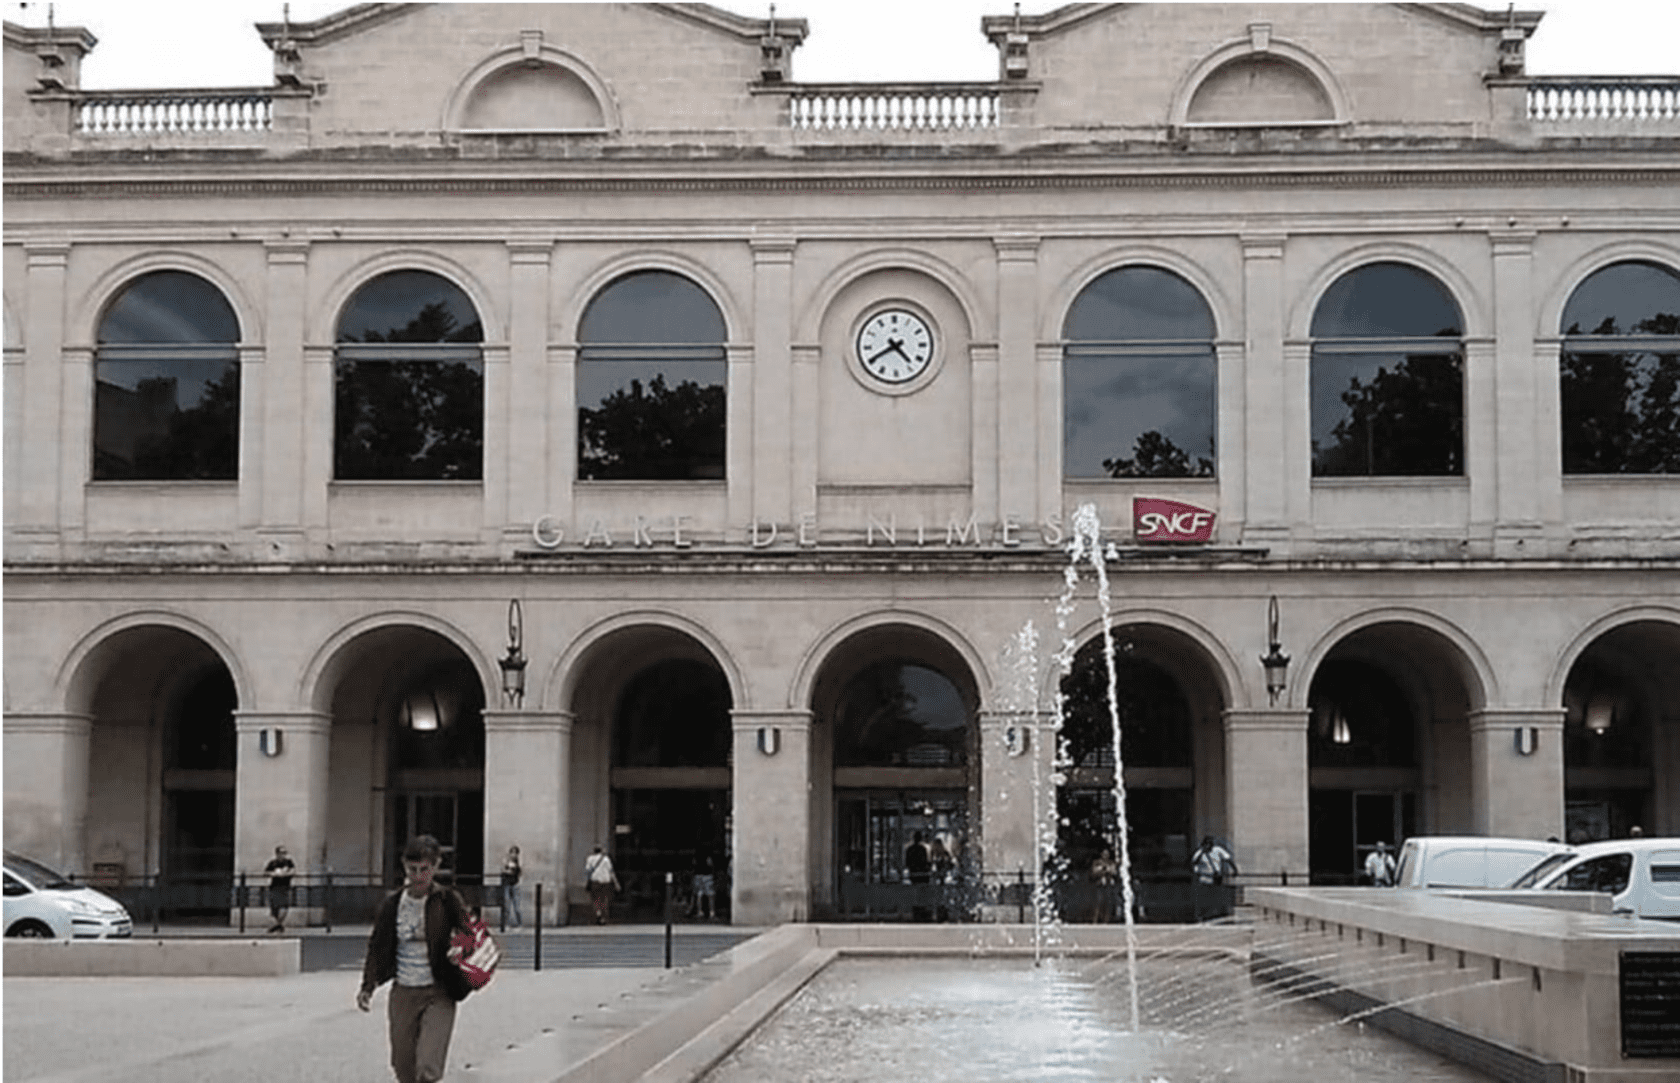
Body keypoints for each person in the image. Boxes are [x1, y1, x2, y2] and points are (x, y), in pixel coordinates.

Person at [356, 835, 475, 1083]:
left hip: (439, 990)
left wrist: (459, 948)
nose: (418, 876)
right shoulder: (392, 904)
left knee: (428, 1066)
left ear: (435, 867)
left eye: (425, 869)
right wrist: (368, 986)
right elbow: (377, 947)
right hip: (404, 992)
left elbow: (469, 934)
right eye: (413, 869)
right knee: (403, 1065)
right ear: (404, 867)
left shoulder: (447, 900)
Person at [1191, 835, 1237, 922]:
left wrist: (1234, 870)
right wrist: (1202, 853)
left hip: (1216, 877)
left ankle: (1216, 912)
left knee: (1216, 895)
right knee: (1204, 897)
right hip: (1205, 878)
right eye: (1208, 844)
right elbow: (1194, 862)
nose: (1210, 846)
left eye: (1211, 844)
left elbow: (1228, 858)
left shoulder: (1218, 850)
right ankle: (1204, 914)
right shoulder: (1200, 853)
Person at [264, 845, 296, 934]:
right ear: (277, 854)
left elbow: (293, 871)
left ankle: (277, 925)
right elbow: (266, 872)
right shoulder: (273, 863)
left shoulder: (288, 862)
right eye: (281, 853)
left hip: (285, 887)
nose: (283, 855)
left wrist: (285, 874)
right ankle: (278, 926)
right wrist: (274, 874)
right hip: (274, 887)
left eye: (285, 853)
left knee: (284, 907)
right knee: (274, 908)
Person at [584, 844, 619, 925]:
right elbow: (611, 872)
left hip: (595, 881)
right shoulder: (606, 859)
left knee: (595, 900)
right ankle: (603, 918)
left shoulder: (590, 859)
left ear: (594, 851)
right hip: (605, 882)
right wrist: (616, 883)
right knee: (604, 900)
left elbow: (588, 870)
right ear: (601, 851)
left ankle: (598, 914)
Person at [1089, 848, 1118, 923]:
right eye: (1104, 854)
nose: (1106, 855)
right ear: (1101, 854)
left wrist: (1108, 870)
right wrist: (1102, 870)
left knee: (1108, 903)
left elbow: (1114, 872)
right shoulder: (1097, 862)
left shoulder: (1111, 862)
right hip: (1099, 885)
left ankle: (1106, 921)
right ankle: (1095, 920)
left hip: (1109, 885)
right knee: (1098, 903)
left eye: (1107, 854)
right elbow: (1094, 872)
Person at [499, 845, 522, 928]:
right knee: (507, 906)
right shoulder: (507, 861)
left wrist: (508, 871)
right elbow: (503, 871)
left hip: (515, 884)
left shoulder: (518, 862)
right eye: (512, 852)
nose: (513, 854)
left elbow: (516, 872)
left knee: (517, 907)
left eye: (515, 853)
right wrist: (508, 870)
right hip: (507, 885)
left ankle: (519, 924)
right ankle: (506, 924)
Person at [691, 856, 716, 921]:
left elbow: (693, 863)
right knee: (710, 895)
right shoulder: (708, 854)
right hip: (707, 875)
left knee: (699, 895)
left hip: (698, 875)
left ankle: (700, 912)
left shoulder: (696, 854)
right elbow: (710, 863)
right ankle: (711, 912)